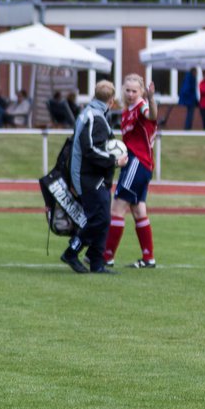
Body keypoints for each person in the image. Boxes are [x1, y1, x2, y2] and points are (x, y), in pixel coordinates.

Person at [61, 80, 125, 274]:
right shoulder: (94, 117)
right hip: (88, 176)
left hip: (93, 176)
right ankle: (72, 251)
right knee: (99, 219)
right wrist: (115, 161)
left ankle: (97, 262)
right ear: (112, 100)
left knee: (103, 219)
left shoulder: (91, 113)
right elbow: (90, 150)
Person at [103, 74, 159, 270]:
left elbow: (152, 115)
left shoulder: (142, 105)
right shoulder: (127, 111)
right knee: (138, 210)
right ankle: (148, 257)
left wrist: (151, 99)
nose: (130, 94)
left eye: (134, 90)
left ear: (141, 91)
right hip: (139, 165)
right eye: (127, 90)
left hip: (137, 163)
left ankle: (106, 256)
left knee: (117, 208)